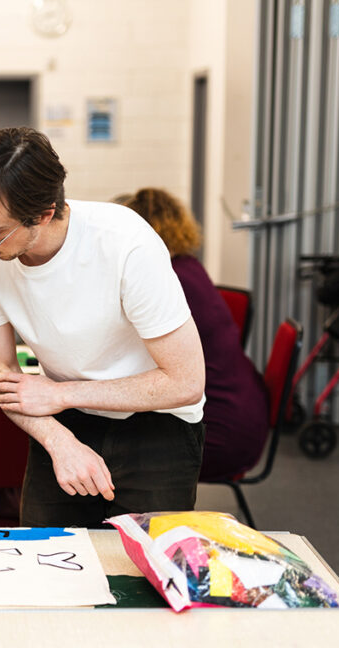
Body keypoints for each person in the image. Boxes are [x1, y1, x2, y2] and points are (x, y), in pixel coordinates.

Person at [0, 127, 206, 528]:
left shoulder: (125, 244)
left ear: (45, 213)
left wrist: (60, 392)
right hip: (63, 418)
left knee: (145, 571)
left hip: (158, 422)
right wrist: (58, 440)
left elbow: (186, 382)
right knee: (46, 564)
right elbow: (3, 375)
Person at [122, 187, 269, 481]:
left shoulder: (169, 279)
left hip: (220, 434)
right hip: (244, 414)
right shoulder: (188, 266)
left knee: (104, 440)